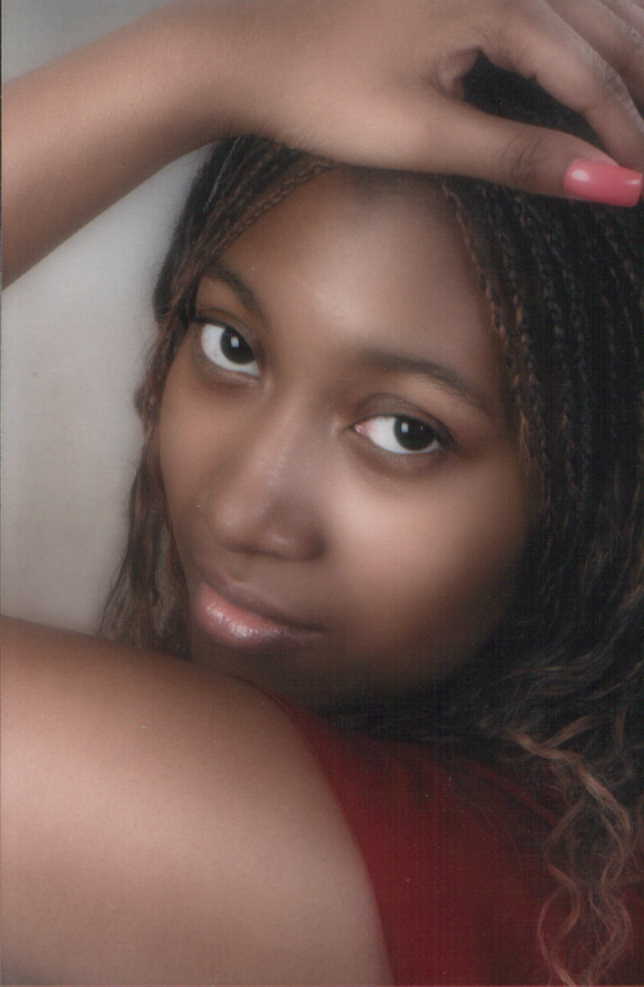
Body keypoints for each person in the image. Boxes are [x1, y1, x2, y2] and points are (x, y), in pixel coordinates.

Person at [2, 1, 643, 984]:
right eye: (232, 346)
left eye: (406, 432)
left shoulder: (495, 881)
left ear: (605, 497)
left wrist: (205, 62)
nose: (241, 511)